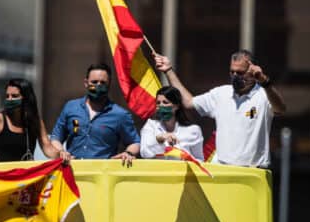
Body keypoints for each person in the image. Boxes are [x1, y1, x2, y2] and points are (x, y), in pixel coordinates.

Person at [153, 50, 286, 168]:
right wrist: (168, 70)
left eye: (240, 72)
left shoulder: (264, 95)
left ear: (252, 73)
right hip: (223, 169)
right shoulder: (221, 94)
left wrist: (264, 81)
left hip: (253, 173)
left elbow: (280, 109)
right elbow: (188, 102)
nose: (235, 76)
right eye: (232, 71)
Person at [50, 63, 140, 166]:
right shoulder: (71, 107)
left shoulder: (120, 115)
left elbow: (135, 142)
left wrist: (128, 153)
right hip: (72, 171)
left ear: (109, 84)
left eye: (103, 83)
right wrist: (61, 152)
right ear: (86, 83)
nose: (98, 86)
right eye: (94, 82)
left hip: (102, 175)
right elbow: (56, 137)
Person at [140, 86, 204, 160]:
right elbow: (144, 153)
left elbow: (199, 159)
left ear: (176, 106)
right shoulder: (150, 126)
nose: (161, 106)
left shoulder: (193, 130)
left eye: (165, 102)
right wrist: (159, 139)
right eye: (158, 103)